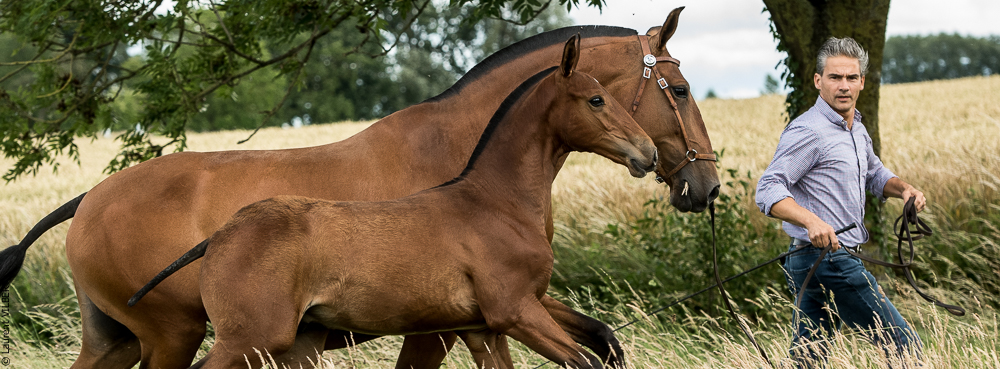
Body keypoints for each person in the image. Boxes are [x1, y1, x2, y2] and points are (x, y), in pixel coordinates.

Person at [755, 37, 925, 367]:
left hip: (815, 259)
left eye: (851, 78)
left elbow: (875, 174)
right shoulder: (809, 130)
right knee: (904, 345)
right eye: (835, 77)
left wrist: (904, 189)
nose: (843, 86)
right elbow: (768, 189)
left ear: (862, 81)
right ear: (818, 81)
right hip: (825, 257)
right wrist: (811, 221)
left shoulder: (856, 129)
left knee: (809, 357)